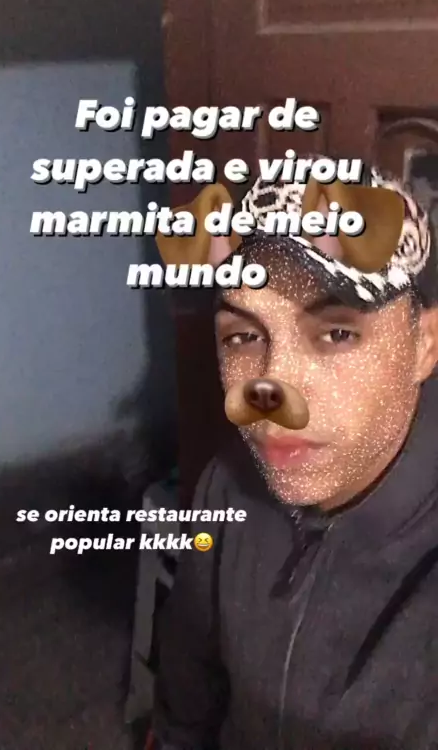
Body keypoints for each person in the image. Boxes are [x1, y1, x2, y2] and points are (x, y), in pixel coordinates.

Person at [150, 164, 438, 750]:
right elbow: (187, 690)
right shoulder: (224, 486)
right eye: (244, 336)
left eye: (337, 333)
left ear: (424, 345)